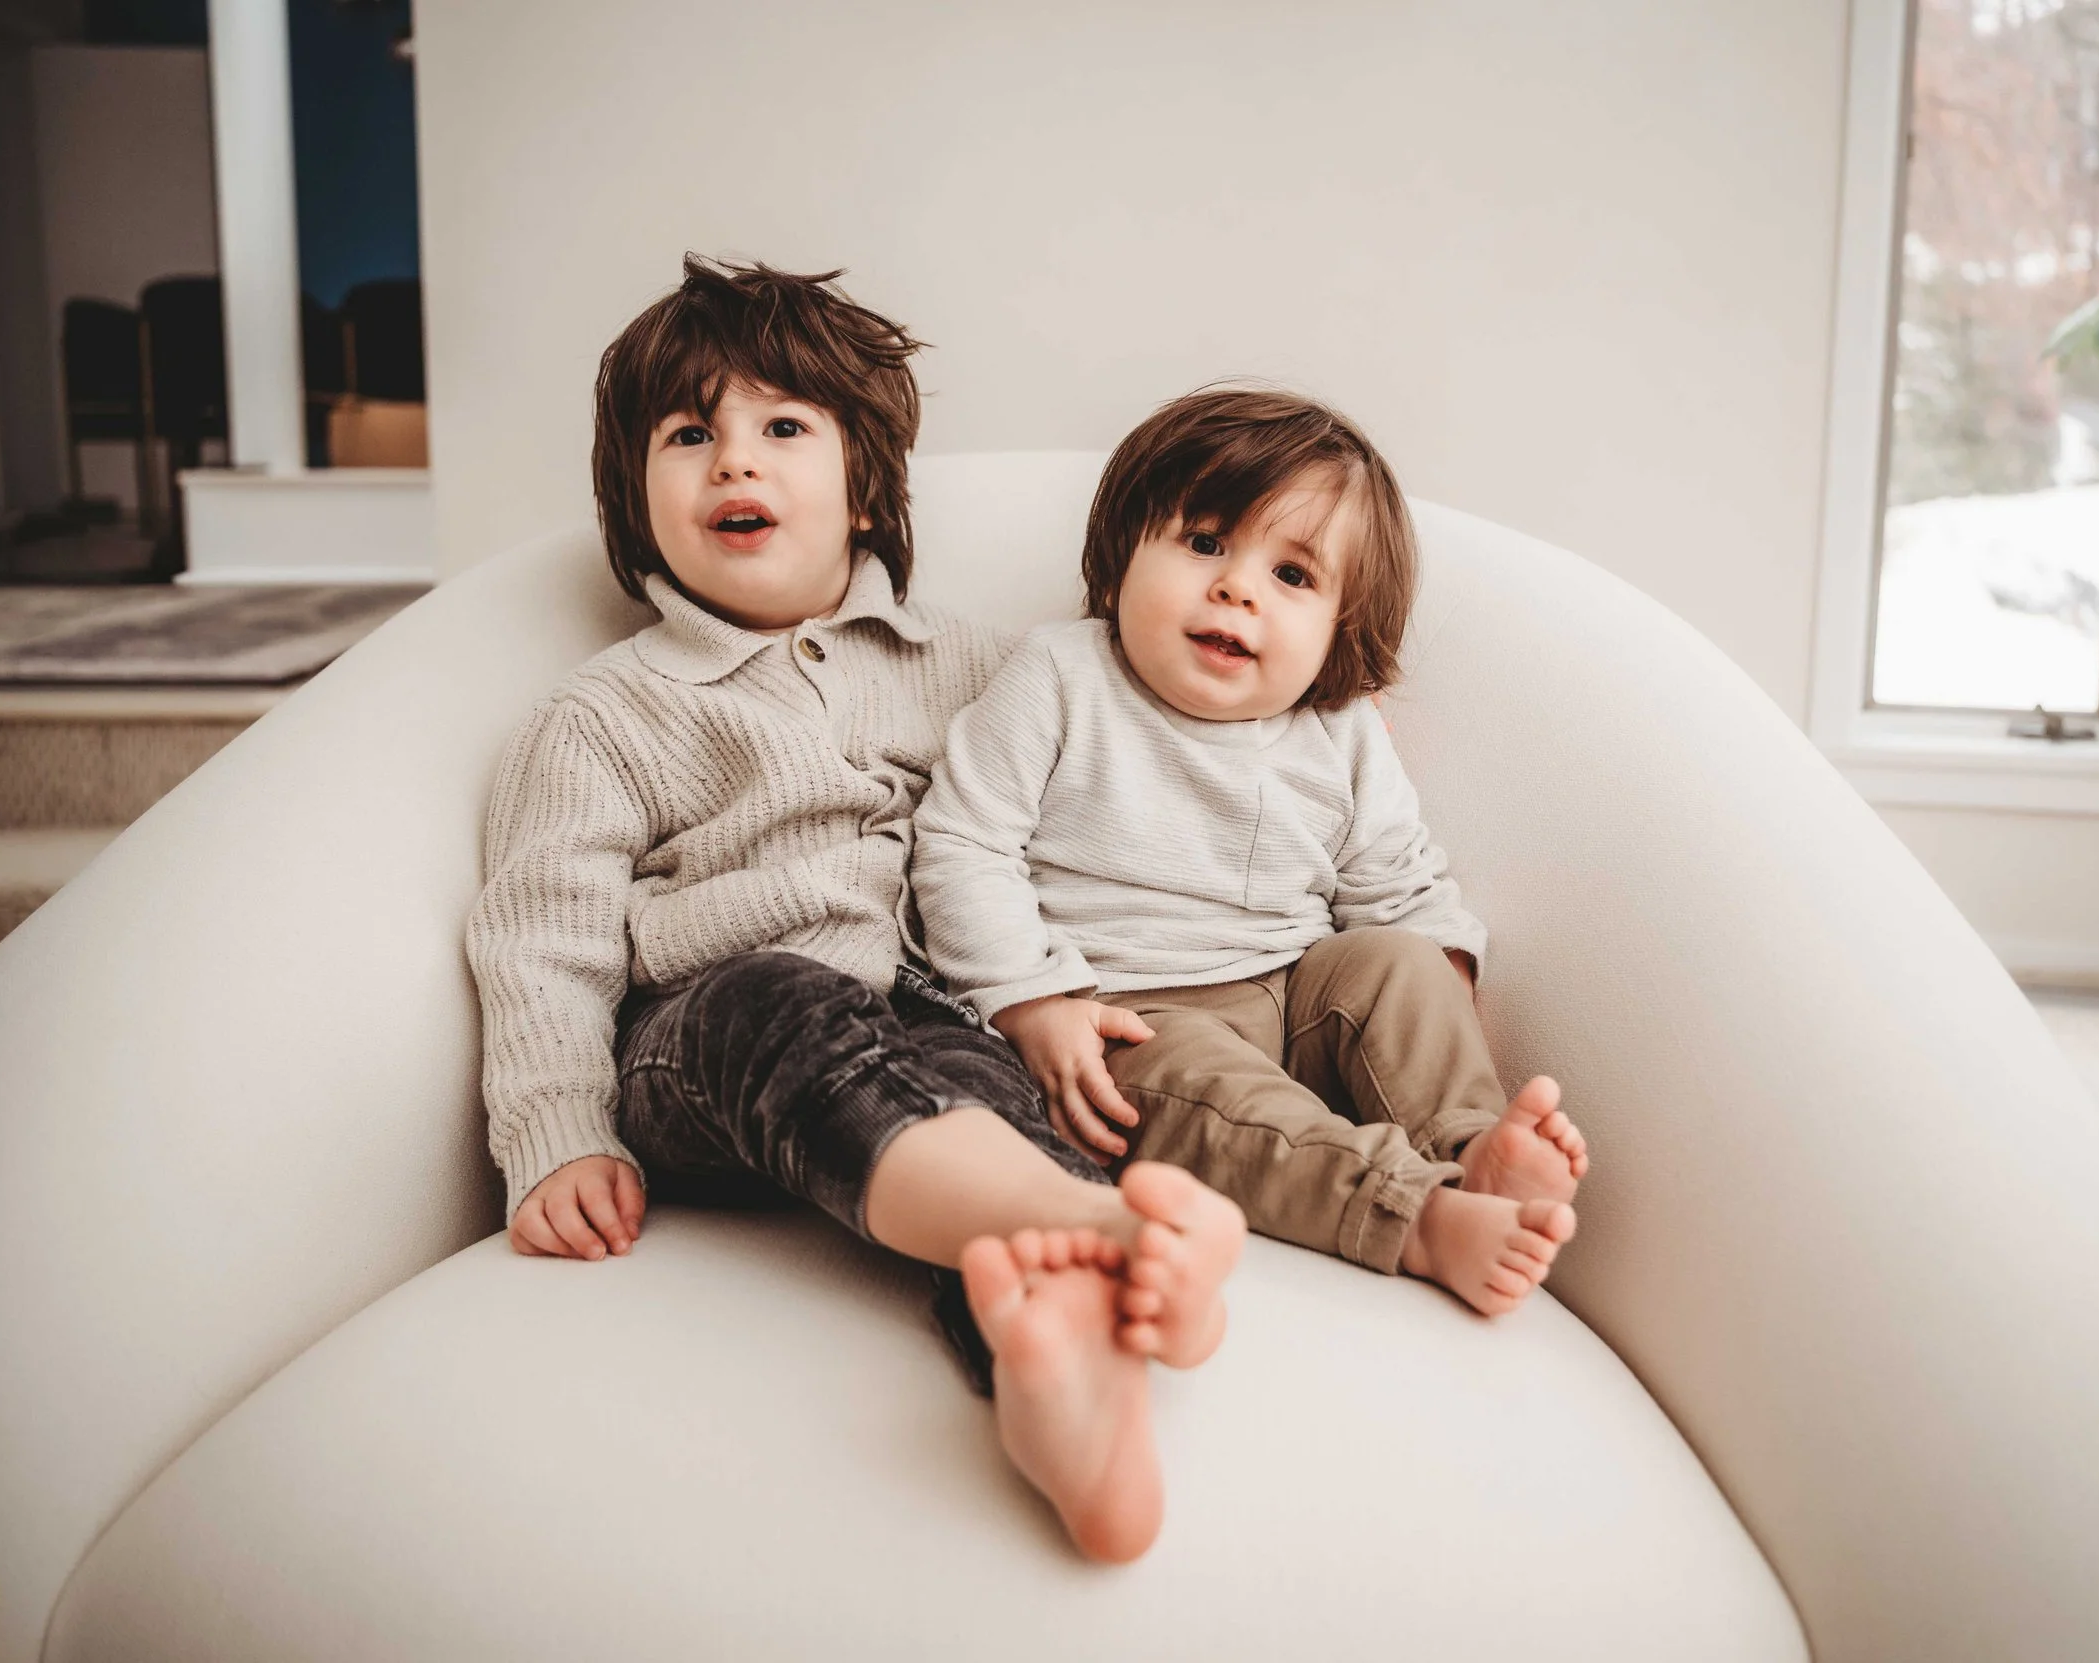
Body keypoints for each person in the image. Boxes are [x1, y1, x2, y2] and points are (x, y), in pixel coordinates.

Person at [464, 257, 1244, 1565]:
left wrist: (1297, 713)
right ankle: (1104, 1222)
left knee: (995, 1082)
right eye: (688, 434)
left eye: (782, 427)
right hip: (706, 1036)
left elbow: (1120, 762)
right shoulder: (603, 712)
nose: (733, 463)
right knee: (783, 993)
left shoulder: (981, 665)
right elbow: (541, 938)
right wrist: (555, 1130)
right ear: (632, 495)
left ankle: (1066, 1367)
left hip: (928, 1018)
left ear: (866, 480)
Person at [912, 387, 1587, 1317]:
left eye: (1294, 577)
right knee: (1223, 1106)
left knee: (1396, 960)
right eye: (1204, 544)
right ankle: (1411, 1214)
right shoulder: (1061, 675)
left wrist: (1434, 990)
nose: (1237, 587)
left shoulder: (1340, 725)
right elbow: (962, 843)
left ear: (1339, 630)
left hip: (1295, 990)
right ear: (1122, 557)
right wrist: (1034, 1000)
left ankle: (1470, 1149)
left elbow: (1397, 879)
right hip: (1131, 1018)